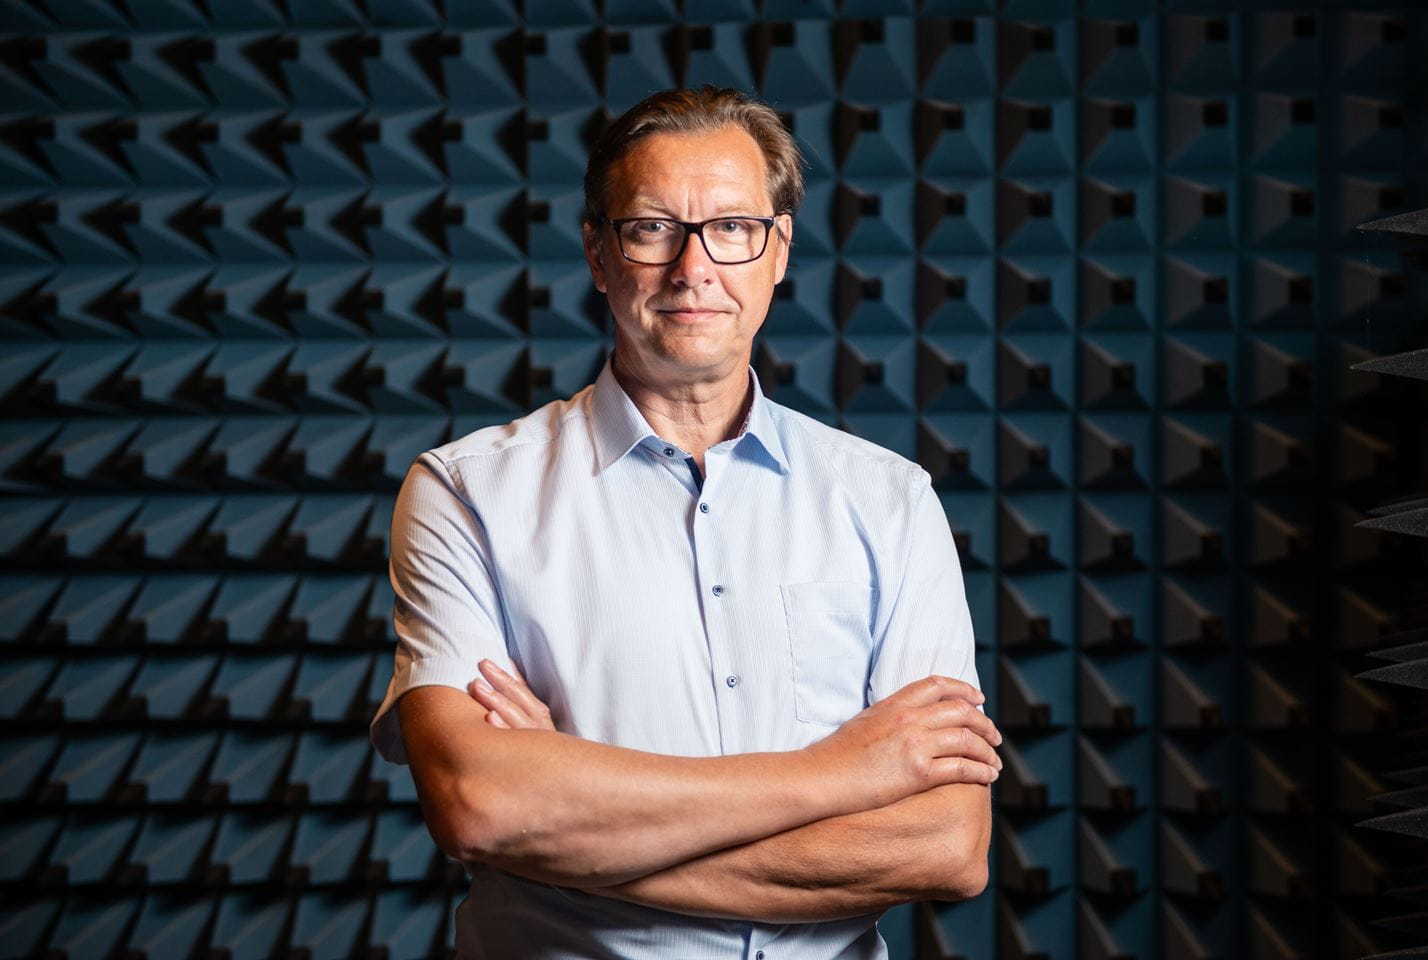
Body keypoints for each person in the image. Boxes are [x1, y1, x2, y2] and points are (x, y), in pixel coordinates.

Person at [369, 85, 1002, 960]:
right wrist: (845, 772)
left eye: (733, 229)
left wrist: (574, 827)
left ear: (778, 251)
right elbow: (482, 808)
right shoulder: (467, 494)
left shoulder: (889, 502)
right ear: (598, 253)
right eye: (652, 228)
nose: (694, 268)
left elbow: (949, 846)